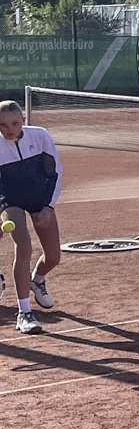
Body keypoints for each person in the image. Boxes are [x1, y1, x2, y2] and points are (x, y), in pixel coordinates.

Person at [0, 99, 63, 334]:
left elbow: (56, 172)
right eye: (3, 125)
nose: (9, 130)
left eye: (15, 123)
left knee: (54, 256)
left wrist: (48, 206)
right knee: (23, 246)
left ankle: (37, 279)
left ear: (23, 121)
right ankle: (24, 312)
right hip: (9, 198)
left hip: (39, 196)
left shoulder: (40, 136)